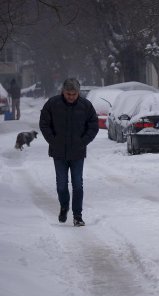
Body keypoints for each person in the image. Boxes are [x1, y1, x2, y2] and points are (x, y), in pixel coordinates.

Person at [39, 78, 99, 226]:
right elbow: (44, 124)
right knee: (61, 184)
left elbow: (93, 126)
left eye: (74, 94)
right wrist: (53, 140)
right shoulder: (52, 104)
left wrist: (83, 141)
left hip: (78, 153)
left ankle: (77, 215)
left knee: (78, 184)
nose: (71, 97)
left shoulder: (86, 106)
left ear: (78, 93)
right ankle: (64, 206)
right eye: (68, 94)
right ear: (63, 92)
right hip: (58, 152)